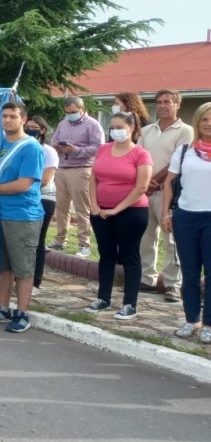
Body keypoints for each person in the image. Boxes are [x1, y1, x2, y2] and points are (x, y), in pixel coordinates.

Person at [0, 102, 46, 333]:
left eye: (13, 116)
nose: (7, 120)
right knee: (3, 265)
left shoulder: (31, 147)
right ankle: (2, 308)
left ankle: (22, 313)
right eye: (4, 116)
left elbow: (24, 184)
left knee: (23, 267)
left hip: (22, 215)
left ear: (23, 119)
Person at [84, 111, 153, 320]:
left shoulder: (141, 154)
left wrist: (117, 209)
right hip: (101, 211)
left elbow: (141, 187)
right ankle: (103, 298)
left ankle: (129, 304)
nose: (115, 131)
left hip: (131, 212)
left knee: (129, 256)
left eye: (119, 127)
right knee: (106, 255)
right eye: (112, 127)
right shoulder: (103, 150)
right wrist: (94, 205)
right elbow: (94, 178)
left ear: (131, 128)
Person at [161, 102, 211, 343]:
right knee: (189, 273)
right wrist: (166, 214)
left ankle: (209, 324)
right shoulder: (184, 151)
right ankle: (192, 319)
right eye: (204, 119)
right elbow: (169, 183)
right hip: (186, 218)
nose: (208, 124)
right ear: (198, 122)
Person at [138, 89, 193, 302]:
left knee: (172, 239)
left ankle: (172, 283)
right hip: (145, 191)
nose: (162, 105)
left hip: (168, 191)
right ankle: (146, 278)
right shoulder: (146, 130)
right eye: (159, 102)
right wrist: (145, 182)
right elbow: (139, 158)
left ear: (177, 104)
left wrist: (154, 181)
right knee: (146, 236)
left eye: (167, 102)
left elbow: (176, 162)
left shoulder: (185, 130)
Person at [49, 96, 104, 257]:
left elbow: (99, 148)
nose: (70, 115)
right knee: (61, 207)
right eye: (67, 112)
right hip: (62, 169)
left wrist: (75, 150)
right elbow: (53, 140)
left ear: (82, 109)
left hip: (81, 170)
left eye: (73, 112)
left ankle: (84, 245)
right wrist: (57, 146)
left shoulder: (93, 125)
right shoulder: (63, 123)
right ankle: (60, 240)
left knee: (82, 209)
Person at [25, 116, 59, 288]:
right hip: (22, 198)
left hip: (43, 198)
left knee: (38, 240)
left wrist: (21, 185)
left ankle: (35, 281)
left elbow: (45, 180)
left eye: (34, 127)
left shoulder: (48, 152)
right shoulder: (20, 148)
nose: (30, 129)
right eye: (27, 126)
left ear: (43, 130)